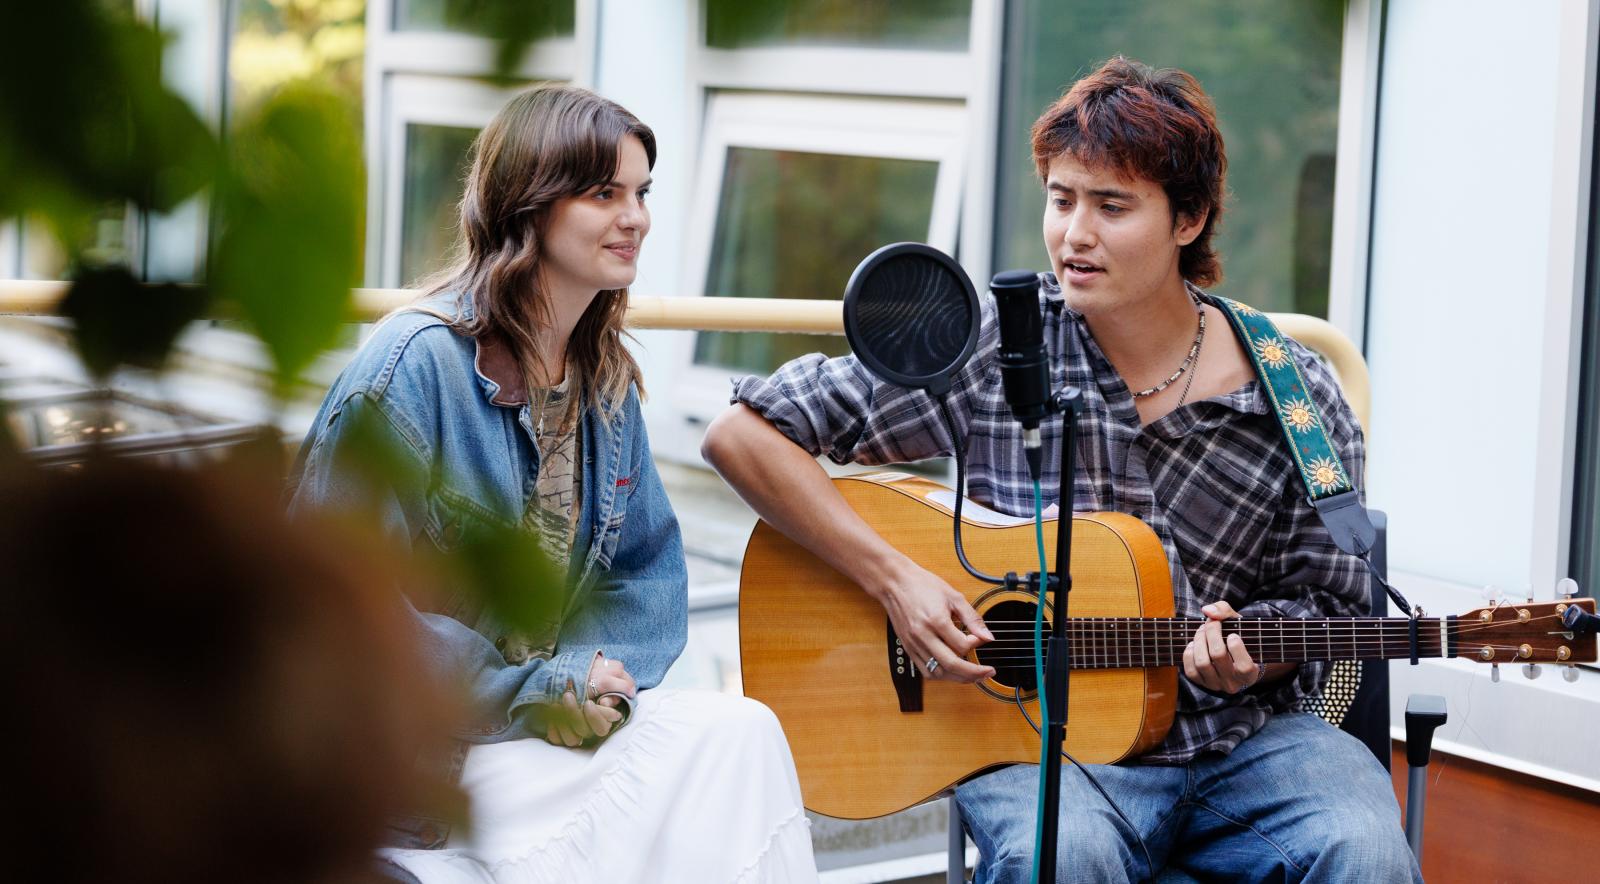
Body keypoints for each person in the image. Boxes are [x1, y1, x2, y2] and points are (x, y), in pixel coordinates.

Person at [702, 57, 1418, 883]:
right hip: (1040, 741)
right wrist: (893, 579)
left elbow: (1328, 604)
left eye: (1111, 206)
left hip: (1247, 742)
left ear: (1188, 220)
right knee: (1064, 857)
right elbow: (740, 434)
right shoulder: (992, 348)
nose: (1074, 234)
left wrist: (1259, 652)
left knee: (1362, 851)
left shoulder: (1294, 391)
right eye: (1061, 198)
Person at [288, 85, 817, 883]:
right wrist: (539, 688)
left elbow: (648, 573)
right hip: (423, 767)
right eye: (604, 193)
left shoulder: (604, 380)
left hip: (537, 738)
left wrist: (585, 685)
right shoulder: (411, 367)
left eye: (641, 193)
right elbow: (333, 610)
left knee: (739, 734)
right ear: (528, 204)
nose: (634, 217)